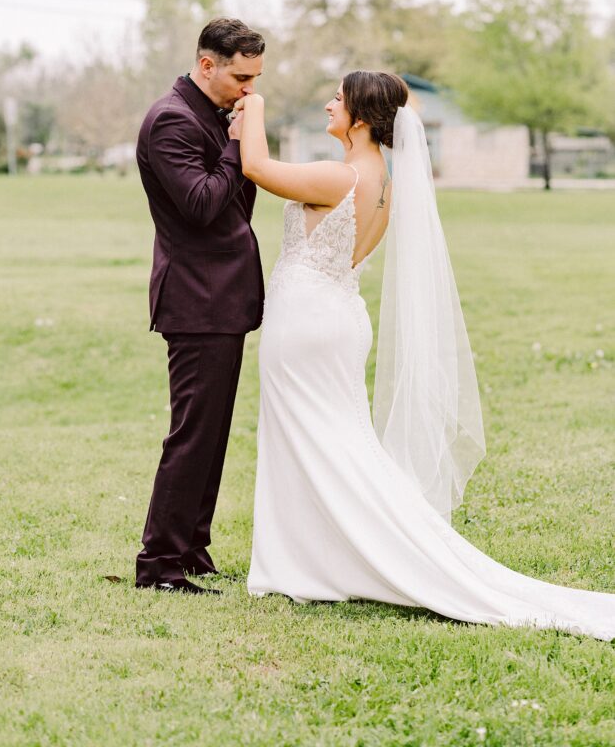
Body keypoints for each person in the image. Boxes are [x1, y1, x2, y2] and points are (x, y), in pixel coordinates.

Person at [236, 72, 614, 640]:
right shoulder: (382, 180)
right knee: (329, 440)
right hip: (335, 317)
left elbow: (257, 168)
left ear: (361, 117)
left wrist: (255, 102)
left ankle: (333, 557)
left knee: (324, 442)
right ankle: (309, 558)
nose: (327, 104)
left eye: (337, 99)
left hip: (310, 323)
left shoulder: (341, 175)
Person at [135, 18, 265, 594]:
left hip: (223, 297)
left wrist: (238, 136)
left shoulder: (216, 114)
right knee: (191, 433)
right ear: (206, 64)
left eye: (256, 78)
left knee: (212, 433)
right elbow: (204, 204)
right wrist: (238, 144)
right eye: (241, 76)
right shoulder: (171, 120)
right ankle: (159, 563)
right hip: (196, 298)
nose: (249, 90)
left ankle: (192, 549)